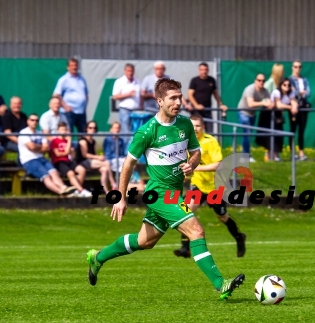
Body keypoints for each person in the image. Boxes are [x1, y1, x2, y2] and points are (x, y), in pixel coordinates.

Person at [86, 78, 245, 300]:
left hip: (176, 192)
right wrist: (120, 197)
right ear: (159, 101)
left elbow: (196, 152)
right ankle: (221, 284)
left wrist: (192, 163)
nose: (178, 102)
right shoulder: (147, 131)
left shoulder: (185, 124)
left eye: (179, 97)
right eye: (173, 98)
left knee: (145, 241)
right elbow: (128, 164)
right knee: (196, 231)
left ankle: (98, 257)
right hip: (160, 194)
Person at [174, 114, 247, 258]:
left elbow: (219, 164)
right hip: (198, 185)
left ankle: (239, 237)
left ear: (203, 127)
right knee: (184, 211)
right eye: (192, 125)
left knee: (222, 217)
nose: (195, 128)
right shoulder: (184, 142)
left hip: (215, 187)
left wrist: (194, 168)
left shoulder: (210, 141)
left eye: (198, 125)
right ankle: (185, 248)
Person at [18, 114, 76, 196]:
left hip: (41, 158)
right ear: (28, 121)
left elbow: (47, 148)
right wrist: (40, 147)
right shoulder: (24, 132)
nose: (34, 122)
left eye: (36, 120)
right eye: (32, 120)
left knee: (54, 172)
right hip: (29, 160)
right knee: (46, 177)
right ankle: (61, 192)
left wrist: (36, 147)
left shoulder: (40, 133)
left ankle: (64, 188)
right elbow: (31, 147)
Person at [237, 74, 273, 163]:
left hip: (253, 114)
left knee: (248, 134)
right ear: (255, 80)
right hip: (243, 112)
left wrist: (270, 104)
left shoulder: (265, 91)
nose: (261, 82)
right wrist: (263, 103)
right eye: (259, 80)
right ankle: (245, 155)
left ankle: (245, 155)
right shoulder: (250, 89)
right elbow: (250, 104)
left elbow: (270, 102)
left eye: (263, 81)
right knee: (247, 134)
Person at [49, 122, 91, 198]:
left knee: (82, 170)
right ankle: (81, 190)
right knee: (71, 173)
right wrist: (67, 149)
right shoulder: (54, 141)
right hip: (59, 162)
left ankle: (77, 191)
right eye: (61, 129)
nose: (63, 131)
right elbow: (58, 154)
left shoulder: (67, 141)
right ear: (58, 130)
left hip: (68, 161)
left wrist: (69, 146)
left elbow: (71, 154)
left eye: (65, 129)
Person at [76, 121, 116, 193]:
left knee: (104, 169)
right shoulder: (83, 140)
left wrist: (99, 157)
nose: (92, 129)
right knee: (106, 163)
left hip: (91, 162)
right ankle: (113, 183)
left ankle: (105, 190)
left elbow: (94, 153)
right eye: (90, 128)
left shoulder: (93, 141)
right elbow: (85, 155)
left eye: (94, 128)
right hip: (83, 162)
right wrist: (98, 158)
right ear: (86, 129)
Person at [188, 62, 227, 134]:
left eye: (205, 70)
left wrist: (221, 105)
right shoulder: (194, 81)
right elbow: (190, 95)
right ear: (199, 70)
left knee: (210, 132)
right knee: (196, 131)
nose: (204, 71)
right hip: (196, 111)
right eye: (202, 70)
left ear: (208, 70)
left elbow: (216, 94)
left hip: (208, 110)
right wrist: (196, 105)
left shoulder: (211, 80)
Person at [53, 58, 89, 133]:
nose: (74, 67)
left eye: (75, 65)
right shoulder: (64, 79)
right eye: (72, 65)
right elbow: (56, 95)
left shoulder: (82, 79)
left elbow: (85, 94)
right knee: (69, 133)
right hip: (69, 112)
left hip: (81, 112)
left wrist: (84, 106)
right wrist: (65, 106)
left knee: (83, 133)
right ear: (68, 67)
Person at [268, 78, 298, 161]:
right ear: (281, 85)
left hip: (279, 115)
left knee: (279, 134)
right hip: (270, 114)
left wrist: (294, 107)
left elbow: (294, 101)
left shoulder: (291, 92)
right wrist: (290, 107)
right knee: (271, 135)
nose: (287, 87)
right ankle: (272, 155)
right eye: (284, 85)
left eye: (288, 85)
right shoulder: (276, 92)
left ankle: (276, 155)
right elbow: (278, 105)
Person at [112, 63, 141, 140]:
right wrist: (128, 94)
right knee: (126, 132)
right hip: (125, 110)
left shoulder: (137, 81)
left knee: (136, 131)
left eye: (131, 71)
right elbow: (115, 96)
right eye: (128, 71)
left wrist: (141, 106)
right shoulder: (119, 81)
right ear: (124, 71)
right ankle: (126, 151)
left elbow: (140, 96)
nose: (130, 73)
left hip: (136, 110)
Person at [289, 61, 311, 161]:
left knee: (301, 131)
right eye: (296, 67)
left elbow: (309, 92)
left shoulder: (305, 79)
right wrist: (300, 93)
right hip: (293, 107)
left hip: (303, 107)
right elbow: (292, 92)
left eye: (299, 67)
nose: (298, 69)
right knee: (293, 130)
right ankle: (292, 153)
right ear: (292, 68)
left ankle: (301, 153)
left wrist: (301, 94)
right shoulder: (290, 80)